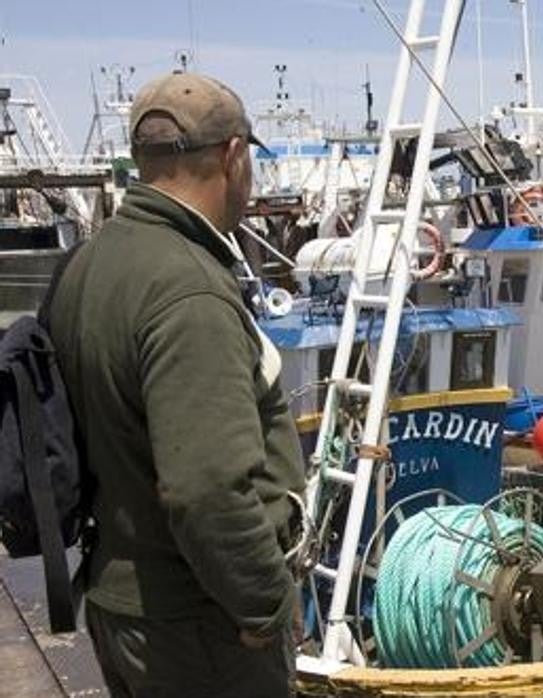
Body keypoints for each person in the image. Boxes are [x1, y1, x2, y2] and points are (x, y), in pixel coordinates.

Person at [46, 73, 304, 697]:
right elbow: (207, 489)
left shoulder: (91, 260)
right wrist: (268, 604)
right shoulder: (188, 289)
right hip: (197, 627)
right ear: (233, 156)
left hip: (126, 602)